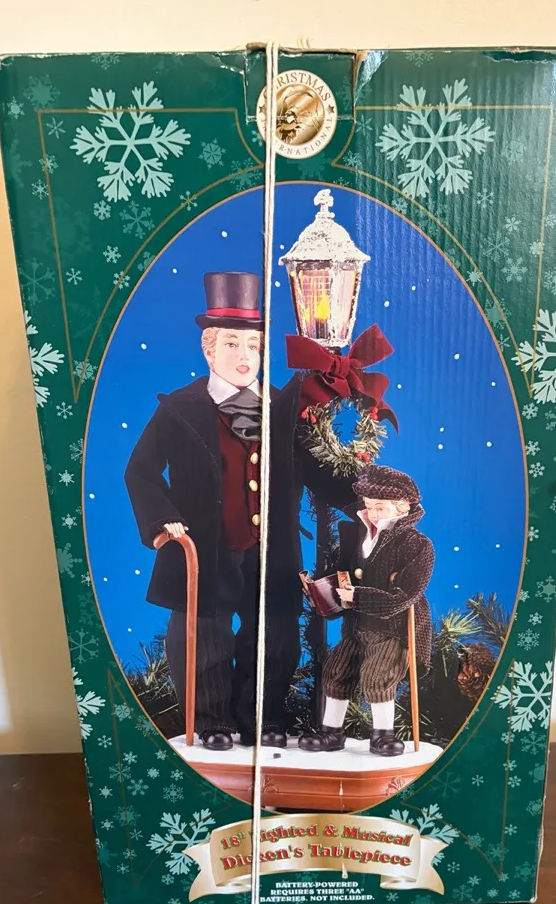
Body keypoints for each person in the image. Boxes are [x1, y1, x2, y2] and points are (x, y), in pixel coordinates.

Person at [125, 271, 354, 751]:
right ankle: (211, 720)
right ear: (209, 350)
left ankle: (262, 716)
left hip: (270, 549)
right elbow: (141, 470)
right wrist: (162, 519)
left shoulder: (282, 408)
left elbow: (314, 466)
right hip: (206, 545)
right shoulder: (180, 409)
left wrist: (364, 498)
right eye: (231, 344)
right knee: (203, 634)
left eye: (253, 345)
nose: (244, 355)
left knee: (273, 634)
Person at [298, 465, 434, 757]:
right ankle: (332, 732)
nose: (372, 514)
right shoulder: (357, 536)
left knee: (378, 675)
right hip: (355, 625)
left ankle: (383, 734)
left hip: (391, 629)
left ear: (402, 506)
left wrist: (358, 596)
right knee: (336, 671)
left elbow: (405, 595)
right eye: (369, 506)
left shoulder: (416, 545)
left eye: (380, 508)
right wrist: (322, 590)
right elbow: (342, 572)